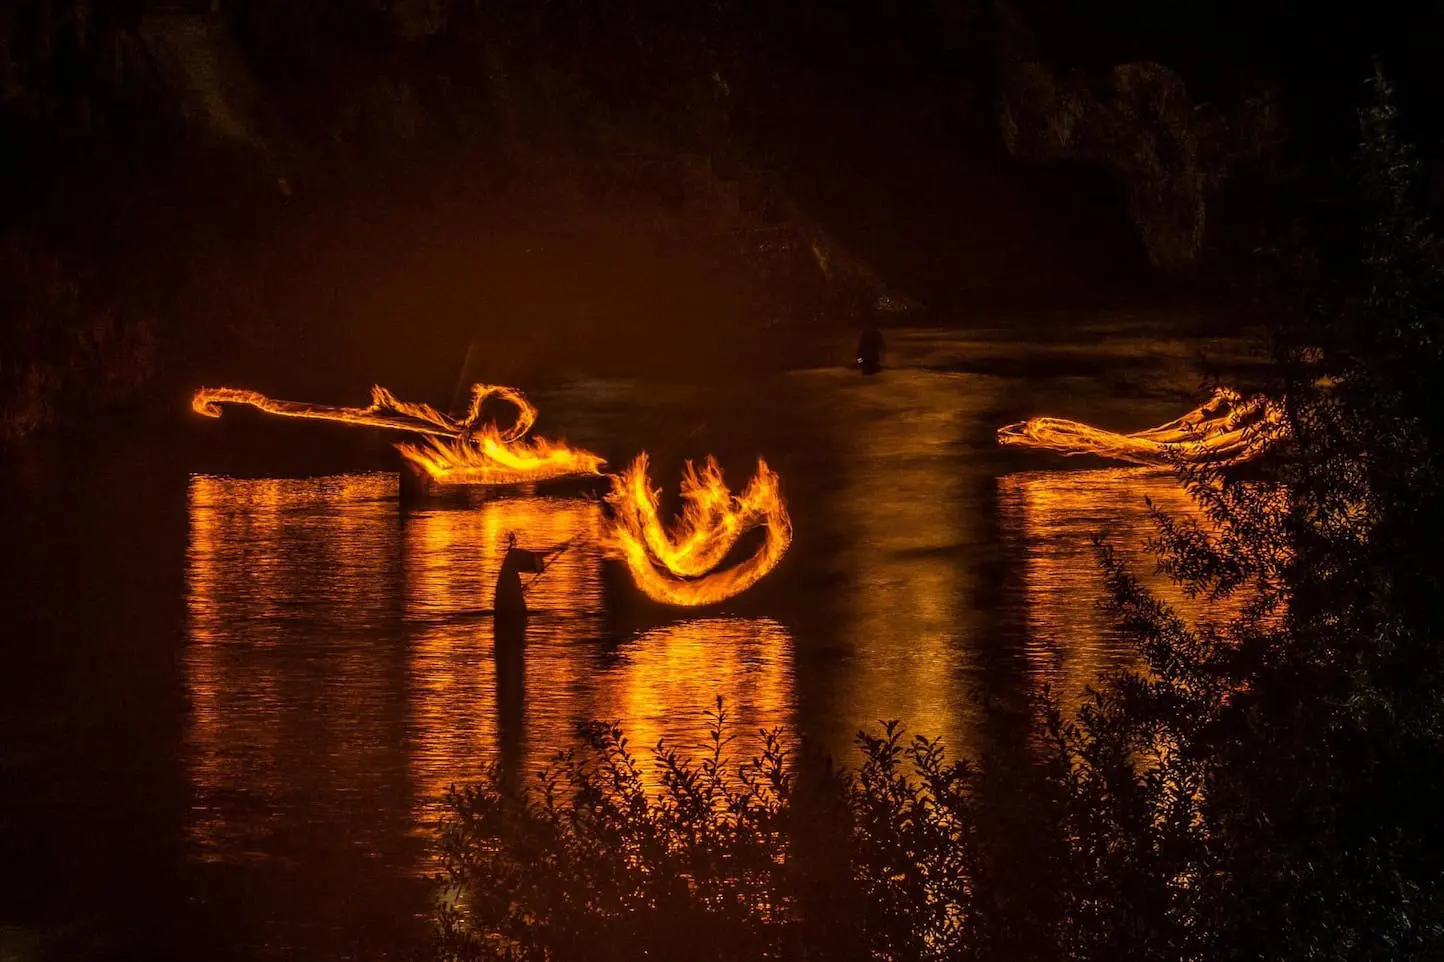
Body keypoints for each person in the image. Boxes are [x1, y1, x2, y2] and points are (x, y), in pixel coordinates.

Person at [494, 531, 546, 621]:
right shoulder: (512, 557)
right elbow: (537, 563)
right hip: (512, 609)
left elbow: (537, 562)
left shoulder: (509, 562)